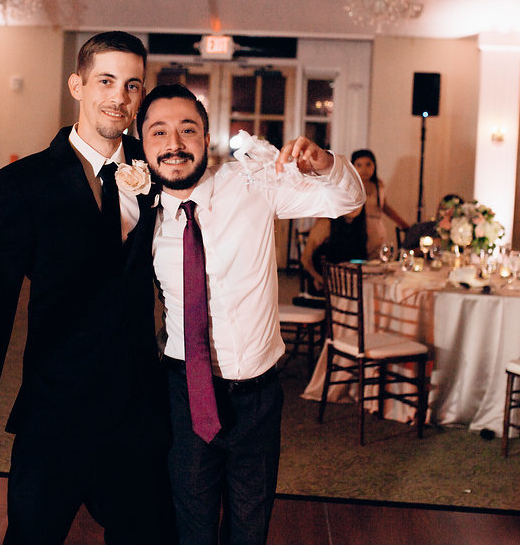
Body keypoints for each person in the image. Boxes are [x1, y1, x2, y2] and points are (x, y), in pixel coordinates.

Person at [0, 31, 174, 543]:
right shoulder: (25, 182)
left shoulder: (159, 173)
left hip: (137, 405)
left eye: (132, 85)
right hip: (57, 406)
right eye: (105, 81)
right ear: (77, 85)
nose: (119, 97)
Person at [138, 83, 365, 544]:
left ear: (207, 137)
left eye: (188, 129)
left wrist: (323, 162)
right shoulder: (137, 212)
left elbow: (347, 202)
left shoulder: (251, 183)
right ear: (142, 144)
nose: (175, 144)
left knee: (249, 523)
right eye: (159, 132)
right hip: (184, 391)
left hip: (257, 395)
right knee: (193, 524)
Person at [351, 149, 409, 256]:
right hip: (358, 229)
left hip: (377, 230)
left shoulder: (379, 185)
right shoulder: (351, 186)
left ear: (374, 166)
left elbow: (385, 207)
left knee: (378, 261)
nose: (364, 169)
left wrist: (404, 224)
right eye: (359, 165)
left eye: (368, 164)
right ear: (353, 167)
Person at [300, 206, 367, 295]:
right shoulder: (326, 224)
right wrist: (320, 279)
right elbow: (305, 259)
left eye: (359, 202)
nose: (355, 206)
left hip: (348, 286)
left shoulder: (359, 227)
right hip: (324, 287)